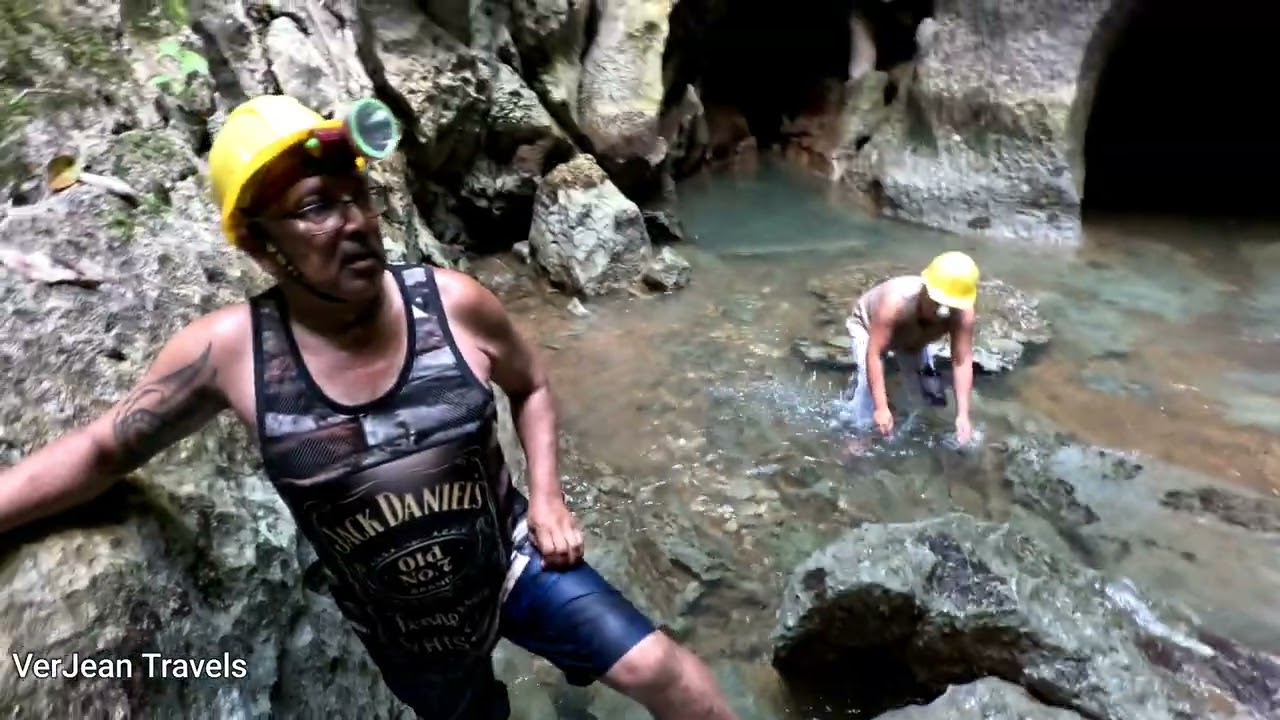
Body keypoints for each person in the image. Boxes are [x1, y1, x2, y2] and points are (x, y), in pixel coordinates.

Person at [0, 94, 737, 720]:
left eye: (356, 194)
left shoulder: (454, 305)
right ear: (262, 249)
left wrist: (547, 498)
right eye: (316, 208)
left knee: (670, 679)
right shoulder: (231, 354)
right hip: (402, 626)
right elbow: (105, 451)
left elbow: (533, 383)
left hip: (510, 559)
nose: (354, 221)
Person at [843, 251, 979, 445]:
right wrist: (881, 408)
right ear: (925, 288)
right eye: (937, 302)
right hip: (867, 327)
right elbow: (875, 354)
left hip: (913, 340)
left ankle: (902, 411)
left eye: (950, 306)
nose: (942, 311)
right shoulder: (894, 303)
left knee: (924, 399)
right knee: (868, 398)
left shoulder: (962, 313)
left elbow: (962, 360)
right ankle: (857, 437)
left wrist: (963, 415)